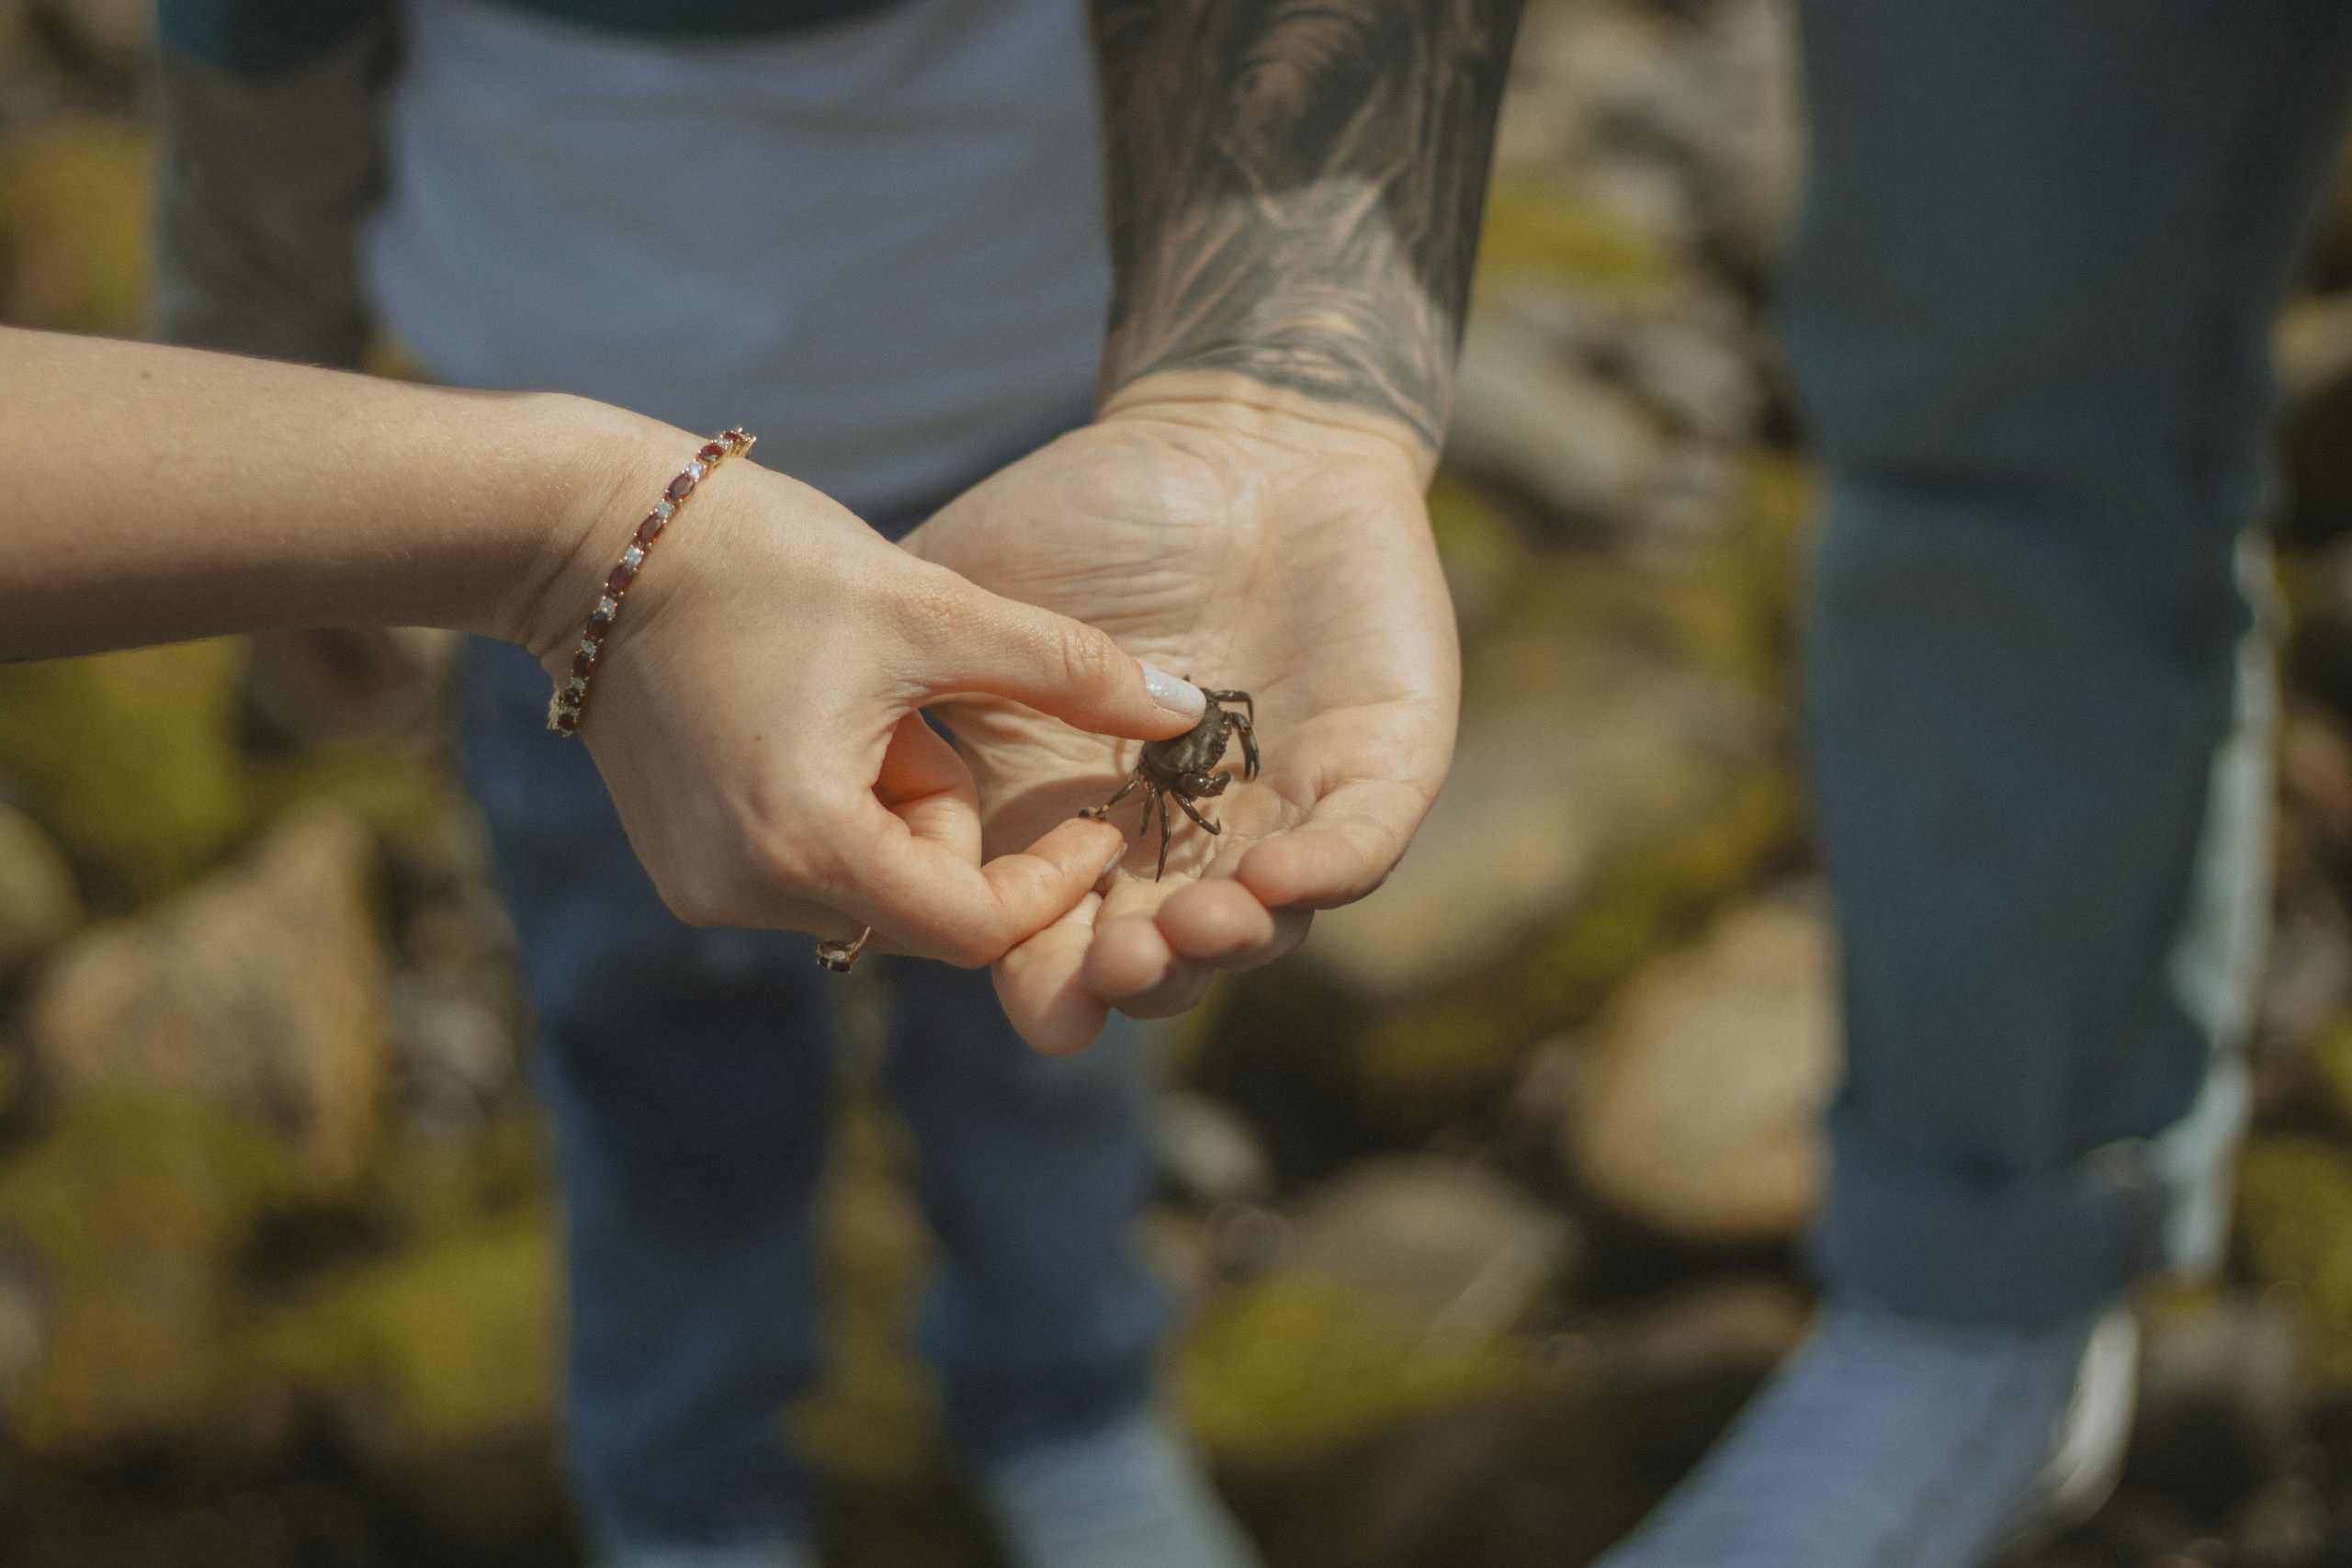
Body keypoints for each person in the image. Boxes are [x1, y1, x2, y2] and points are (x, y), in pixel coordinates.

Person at [147, 1, 1492, 1565]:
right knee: (656, 1048)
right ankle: (689, 1491)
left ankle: (1071, 1405)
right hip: (567, 544)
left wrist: (1274, 404)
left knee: (1059, 1030)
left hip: (1055, 454)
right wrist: (269, 454)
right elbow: (253, 85)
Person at [0, 321, 1204, 965]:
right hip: (544, 478)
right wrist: (580, 540)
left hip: (1028, 416)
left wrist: (1246, 401)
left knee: (1035, 1007)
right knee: (642, 1016)